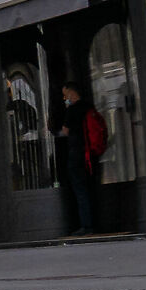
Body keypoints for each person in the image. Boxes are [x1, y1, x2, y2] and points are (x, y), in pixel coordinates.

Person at [52, 80, 104, 236]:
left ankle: (86, 225)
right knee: (90, 188)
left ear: (71, 93)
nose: (64, 98)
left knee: (80, 190)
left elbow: (65, 131)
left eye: (65, 94)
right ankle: (94, 223)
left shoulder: (72, 110)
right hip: (91, 155)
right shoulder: (89, 107)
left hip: (77, 155)